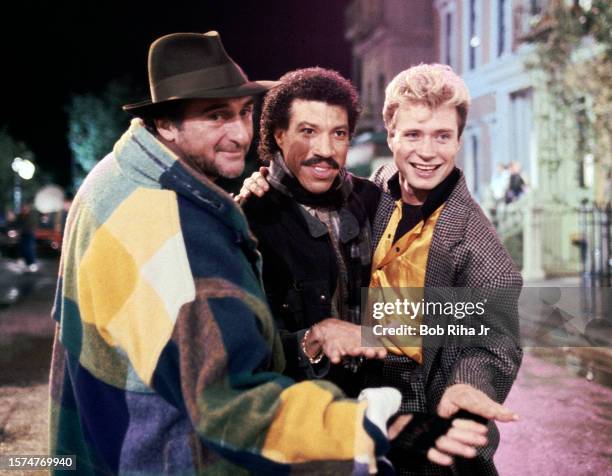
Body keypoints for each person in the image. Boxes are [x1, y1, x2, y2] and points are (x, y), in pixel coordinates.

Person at [48, 33, 489, 475]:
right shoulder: (233, 223)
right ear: (277, 136)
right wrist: (317, 350)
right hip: (292, 444)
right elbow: (235, 380)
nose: (426, 151)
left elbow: (501, 317)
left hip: (389, 431)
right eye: (307, 131)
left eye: (441, 136)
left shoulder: (386, 205)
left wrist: (382, 337)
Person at [368, 63, 522, 475]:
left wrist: (467, 387)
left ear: (457, 141)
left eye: (442, 136)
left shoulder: (480, 248)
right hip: (359, 411)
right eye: (414, 134)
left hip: (430, 418)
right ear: (391, 136)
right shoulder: (372, 191)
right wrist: (263, 187)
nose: (427, 151)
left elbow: (493, 341)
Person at [241, 67, 384, 397]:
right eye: (308, 131)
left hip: (375, 408)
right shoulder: (250, 219)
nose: (325, 149)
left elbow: (414, 316)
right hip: (297, 419)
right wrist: (312, 340)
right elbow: (243, 349)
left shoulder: (375, 202)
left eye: (339, 134)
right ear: (279, 135)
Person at [16, 202, 38, 272]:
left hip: (30, 234)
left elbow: (32, 225)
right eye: (23, 208)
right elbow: (18, 224)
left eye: (26, 207)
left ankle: (31, 263)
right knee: (23, 248)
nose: (25, 209)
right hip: (23, 234)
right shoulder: (20, 216)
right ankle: (25, 261)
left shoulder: (31, 215)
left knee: (29, 248)